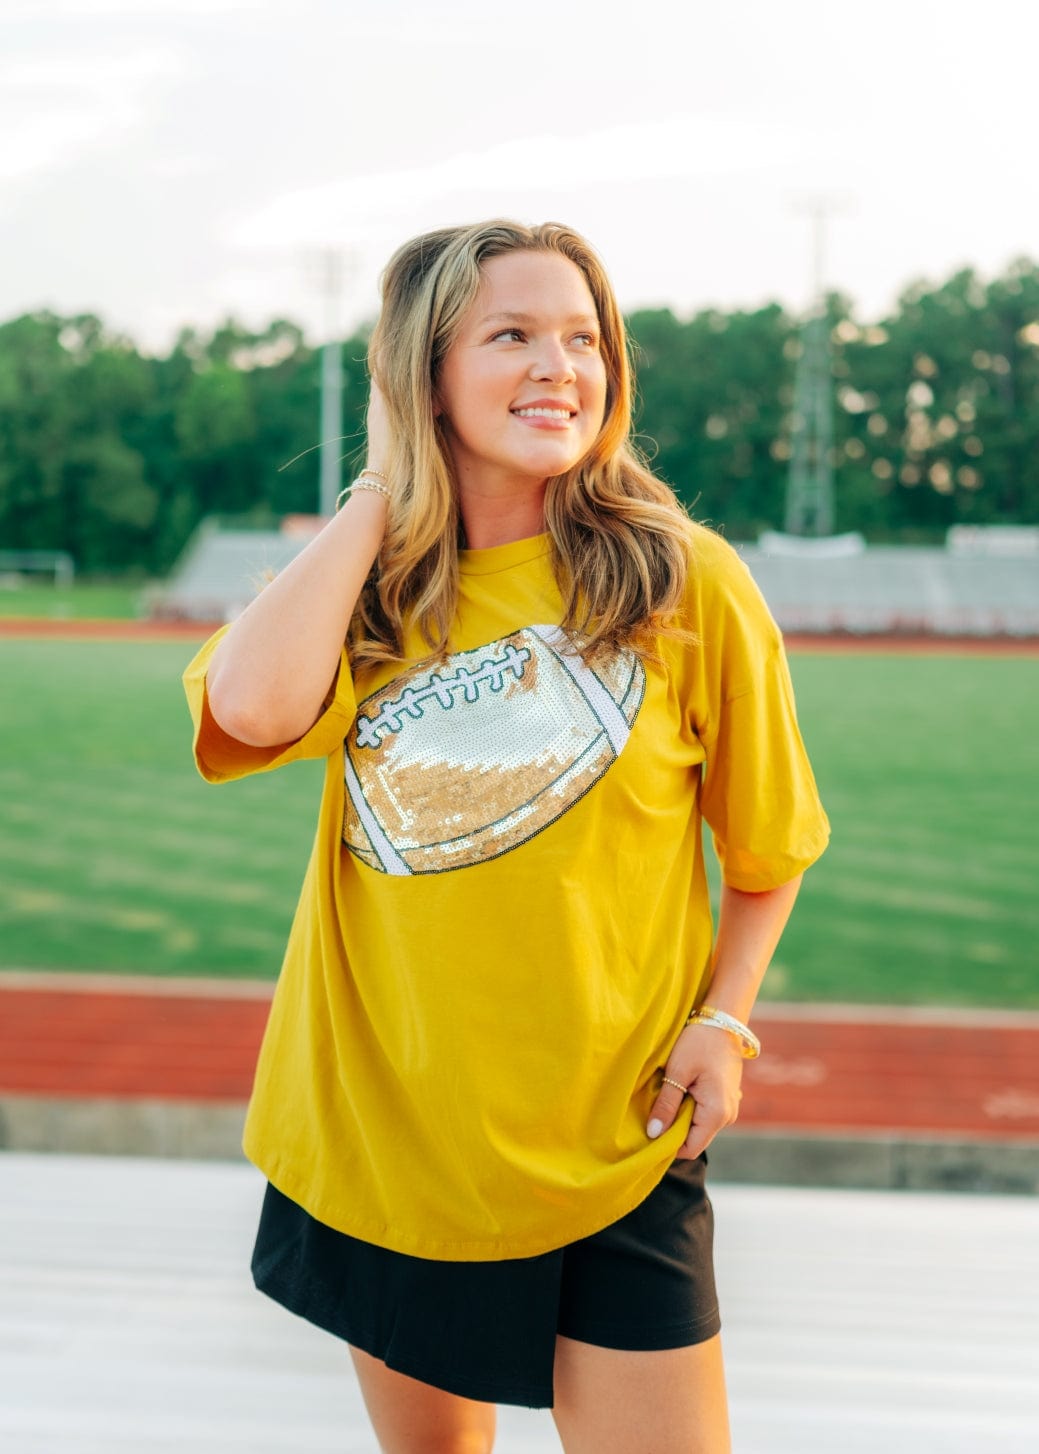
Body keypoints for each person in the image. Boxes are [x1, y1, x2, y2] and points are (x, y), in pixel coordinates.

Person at [183, 219, 829, 1453]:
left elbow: (769, 845)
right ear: (424, 373)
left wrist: (725, 1017)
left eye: (583, 339)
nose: (558, 367)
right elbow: (251, 709)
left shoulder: (681, 579)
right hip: (391, 1131)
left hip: (619, 1132)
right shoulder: (367, 587)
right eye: (513, 335)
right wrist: (382, 485)